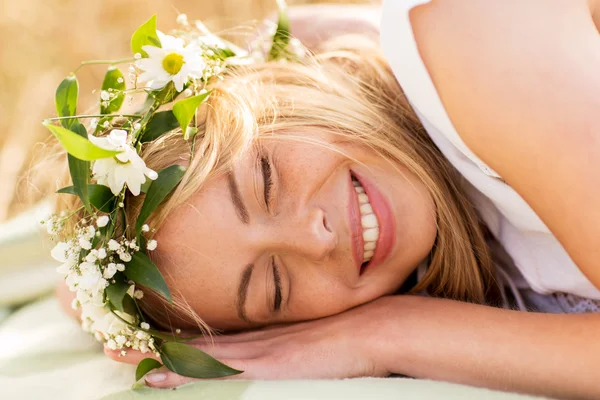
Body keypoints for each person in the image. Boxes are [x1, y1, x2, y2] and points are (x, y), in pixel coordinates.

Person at [51, 1, 600, 398]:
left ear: (276, 92)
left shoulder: (476, 45)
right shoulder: (456, 241)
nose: (314, 237)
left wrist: (392, 333)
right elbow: (69, 292)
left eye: (267, 182)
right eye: (275, 286)